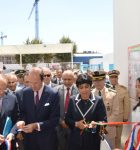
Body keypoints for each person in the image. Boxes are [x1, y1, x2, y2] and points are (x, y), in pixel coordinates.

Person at [16, 67, 60, 150]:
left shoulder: (53, 94)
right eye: (30, 82)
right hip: (29, 141)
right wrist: (22, 121)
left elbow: (55, 120)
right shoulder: (25, 93)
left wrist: (36, 125)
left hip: (47, 141)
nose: (32, 86)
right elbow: (23, 112)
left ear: (42, 79)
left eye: (35, 83)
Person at [65, 73, 107, 150]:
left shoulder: (98, 100)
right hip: (75, 141)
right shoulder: (72, 100)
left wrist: (95, 125)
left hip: (92, 141)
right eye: (81, 87)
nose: (84, 90)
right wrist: (76, 124)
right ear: (77, 88)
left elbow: (103, 121)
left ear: (91, 86)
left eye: (87, 87)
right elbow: (67, 119)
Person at [92, 70, 119, 149]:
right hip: (94, 130)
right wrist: (97, 125)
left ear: (104, 80)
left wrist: (104, 125)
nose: (98, 83)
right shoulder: (90, 94)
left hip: (109, 130)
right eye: (95, 80)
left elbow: (116, 112)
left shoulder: (113, 93)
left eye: (100, 80)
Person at [55, 70, 78, 150]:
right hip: (59, 125)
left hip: (73, 126)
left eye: (69, 79)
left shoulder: (79, 91)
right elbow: (53, 109)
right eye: (65, 79)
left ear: (73, 79)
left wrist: (71, 122)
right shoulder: (55, 90)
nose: (67, 81)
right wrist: (60, 121)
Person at [108, 70, 130, 149]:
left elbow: (127, 104)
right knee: (109, 138)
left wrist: (125, 117)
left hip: (119, 118)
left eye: (115, 77)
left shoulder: (123, 90)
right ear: (109, 78)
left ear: (117, 78)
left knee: (117, 138)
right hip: (109, 118)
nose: (113, 79)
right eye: (111, 77)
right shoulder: (106, 90)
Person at [0, 74, 20, 150]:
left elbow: (17, 118)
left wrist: (12, 133)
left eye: (4, 89)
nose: (2, 92)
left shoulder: (12, 98)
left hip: (8, 143)